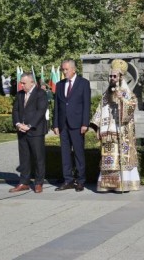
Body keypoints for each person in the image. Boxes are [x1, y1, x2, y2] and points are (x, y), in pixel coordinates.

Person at [90, 59, 140, 193]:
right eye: (110, 76)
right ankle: (107, 185)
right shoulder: (106, 93)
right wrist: (98, 128)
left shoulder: (126, 92)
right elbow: (100, 110)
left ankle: (121, 185)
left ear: (120, 77)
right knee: (108, 159)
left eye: (114, 76)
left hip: (121, 133)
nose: (112, 78)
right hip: (107, 133)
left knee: (120, 159)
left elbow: (132, 106)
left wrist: (122, 100)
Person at [53, 59, 91, 192]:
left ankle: (81, 180)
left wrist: (85, 123)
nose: (64, 72)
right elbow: (56, 106)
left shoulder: (83, 83)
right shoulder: (59, 85)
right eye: (63, 69)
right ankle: (68, 180)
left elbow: (87, 104)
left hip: (77, 124)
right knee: (65, 153)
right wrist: (55, 124)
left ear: (74, 69)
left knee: (78, 153)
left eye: (66, 69)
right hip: (63, 125)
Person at [10, 73, 48, 193]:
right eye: (20, 83)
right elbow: (15, 110)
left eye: (23, 83)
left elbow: (41, 111)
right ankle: (24, 182)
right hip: (21, 131)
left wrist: (29, 126)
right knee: (24, 158)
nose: (21, 85)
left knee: (38, 158)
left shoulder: (40, 93)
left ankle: (38, 183)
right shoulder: (20, 94)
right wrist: (18, 124)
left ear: (32, 82)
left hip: (35, 131)